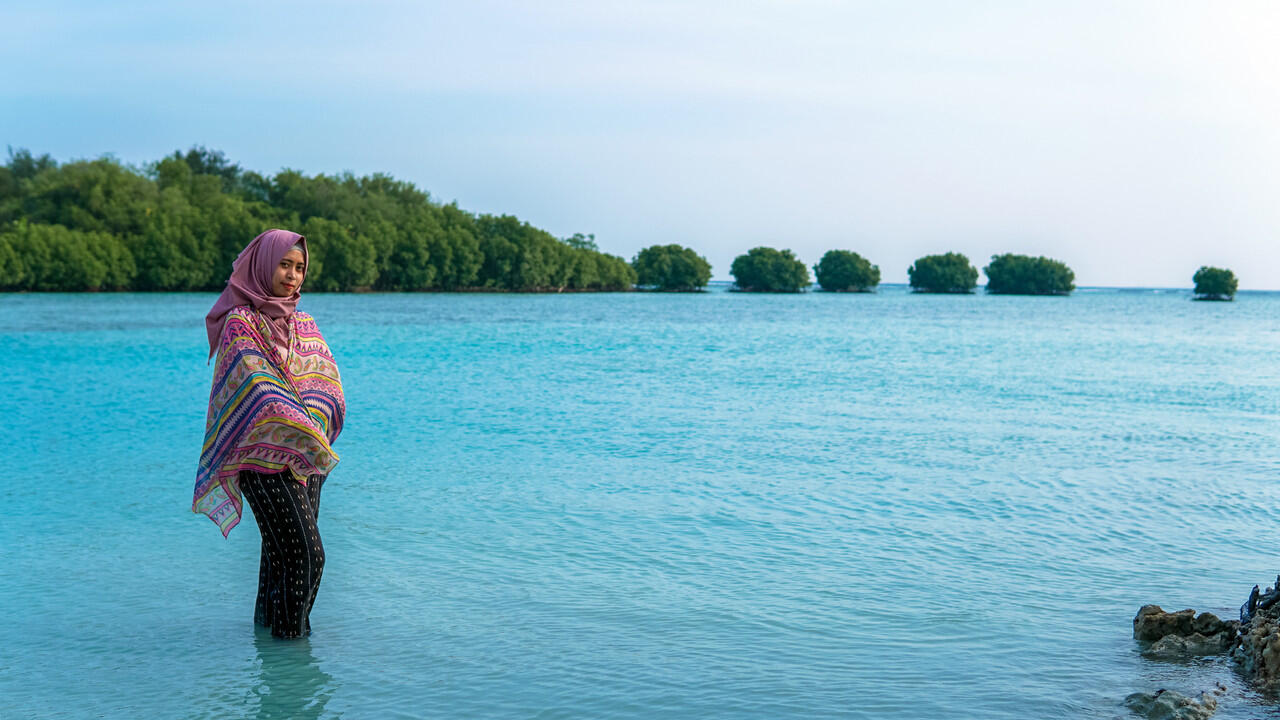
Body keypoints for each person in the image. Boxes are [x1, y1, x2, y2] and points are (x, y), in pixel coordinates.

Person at [193, 229, 346, 638]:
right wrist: (300, 420)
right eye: (284, 264)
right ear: (263, 265)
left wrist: (314, 425)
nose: (293, 275)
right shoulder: (240, 323)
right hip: (259, 458)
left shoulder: (305, 323)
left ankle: (274, 664)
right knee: (308, 557)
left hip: (309, 456)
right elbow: (258, 390)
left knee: (281, 558)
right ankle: (293, 650)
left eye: (300, 268)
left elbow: (327, 381)